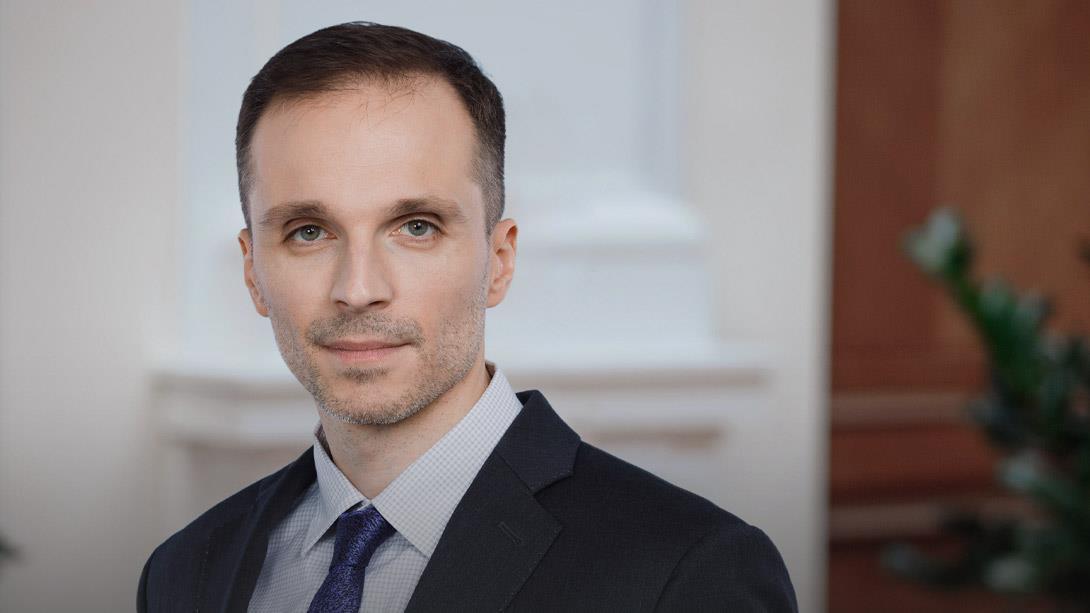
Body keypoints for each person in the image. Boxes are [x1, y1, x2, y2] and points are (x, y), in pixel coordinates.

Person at [137, 21, 797, 613]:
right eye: (309, 232)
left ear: (499, 261)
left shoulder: (689, 574)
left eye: (416, 226)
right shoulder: (183, 573)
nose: (358, 289)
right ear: (253, 270)